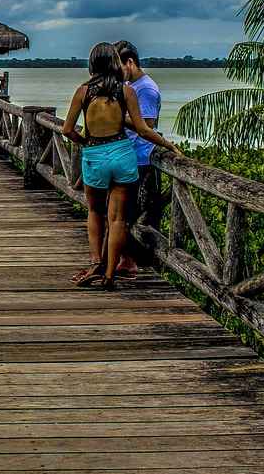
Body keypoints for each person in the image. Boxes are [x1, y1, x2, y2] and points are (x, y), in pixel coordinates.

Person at [61, 42, 179, 289]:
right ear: (116, 62)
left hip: (95, 154)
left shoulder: (83, 91)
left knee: (95, 212)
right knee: (118, 219)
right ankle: (110, 275)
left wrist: (86, 143)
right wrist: (169, 146)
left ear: (92, 63)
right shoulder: (127, 92)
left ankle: (96, 263)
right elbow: (143, 129)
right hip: (123, 155)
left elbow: (67, 129)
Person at [113, 40, 162, 279]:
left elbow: (148, 126)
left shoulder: (146, 89)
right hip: (125, 156)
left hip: (140, 159)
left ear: (129, 62)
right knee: (119, 213)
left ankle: (131, 261)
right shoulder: (128, 84)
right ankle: (124, 259)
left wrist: (116, 116)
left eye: (119, 67)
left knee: (129, 214)